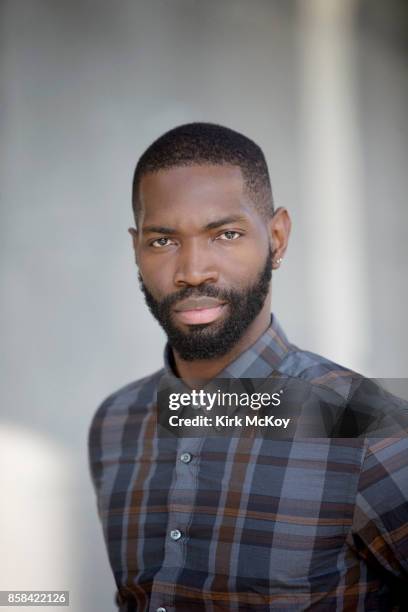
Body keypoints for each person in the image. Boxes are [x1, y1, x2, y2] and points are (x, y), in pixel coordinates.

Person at [88, 123, 408, 611]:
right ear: (136, 248)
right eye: (163, 241)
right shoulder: (116, 423)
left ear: (277, 238)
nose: (193, 270)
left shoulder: (367, 426)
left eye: (226, 234)